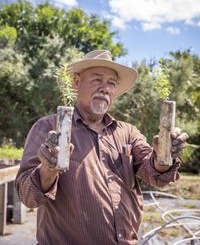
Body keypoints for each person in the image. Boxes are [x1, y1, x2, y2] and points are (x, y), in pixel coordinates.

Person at [15, 50, 188, 245]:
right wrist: (47, 170)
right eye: (97, 80)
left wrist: (164, 155)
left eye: (111, 84)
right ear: (76, 83)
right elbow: (27, 196)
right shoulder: (49, 128)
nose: (105, 89)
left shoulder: (128, 132)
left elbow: (154, 173)